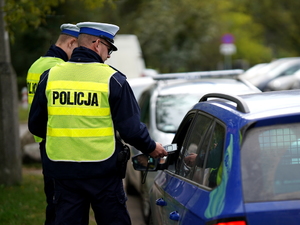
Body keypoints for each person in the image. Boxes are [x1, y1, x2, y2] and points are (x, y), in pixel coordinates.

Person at [28, 22, 167, 225]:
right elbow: (130, 129)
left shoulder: (50, 77)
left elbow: (36, 125)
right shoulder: (113, 79)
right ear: (97, 44)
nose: (109, 55)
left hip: (62, 172)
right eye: (109, 48)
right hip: (102, 173)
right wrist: (152, 147)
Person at [26, 23, 80, 225]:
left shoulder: (36, 65)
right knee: (60, 204)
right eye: (79, 48)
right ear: (71, 42)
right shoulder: (57, 69)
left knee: (54, 199)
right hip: (57, 143)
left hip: (43, 139)